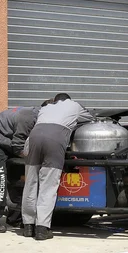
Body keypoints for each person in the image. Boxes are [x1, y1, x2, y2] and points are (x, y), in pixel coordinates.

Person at [21, 93, 94, 240]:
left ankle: (28, 226)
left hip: (34, 138)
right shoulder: (74, 105)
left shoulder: (46, 107)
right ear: (68, 99)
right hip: (54, 140)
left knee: (30, 183)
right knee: (48, 185)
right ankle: (42, 228)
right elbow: (90, 119)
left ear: (55, 100)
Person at [0, 105, 40, 233]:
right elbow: (18, 146)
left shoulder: (36, 115)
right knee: (0, 178)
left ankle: (14, 218)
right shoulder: (29, 118)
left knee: (19, 177)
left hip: (6, 141)